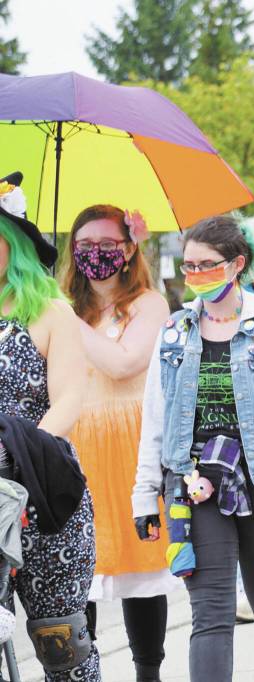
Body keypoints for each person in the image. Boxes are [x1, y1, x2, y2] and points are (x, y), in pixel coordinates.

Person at [132, 215, 254, 682]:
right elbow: (155, 415)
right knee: (211, 612)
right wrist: (143, 494)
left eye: (206, 265)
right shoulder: (174, 331)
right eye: (187, 265)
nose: (194, 275)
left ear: (237, 264)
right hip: (196, 486)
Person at [61, 204, 175, 682]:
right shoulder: (62, 306)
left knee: (141, 572)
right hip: (74, 444)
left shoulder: (149, 303)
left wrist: (66, 322)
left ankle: (147, 672)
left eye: (108, 245)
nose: (96, 255)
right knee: (76, 574)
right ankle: (79, 673)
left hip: (131, 443)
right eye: (85, 246)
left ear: (129, 249)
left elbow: (124, 363)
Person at [0, 184, 99, 681]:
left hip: (43, 494)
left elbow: (69, 399)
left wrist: (16, 453)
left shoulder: (52, 312)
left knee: (61, 644)